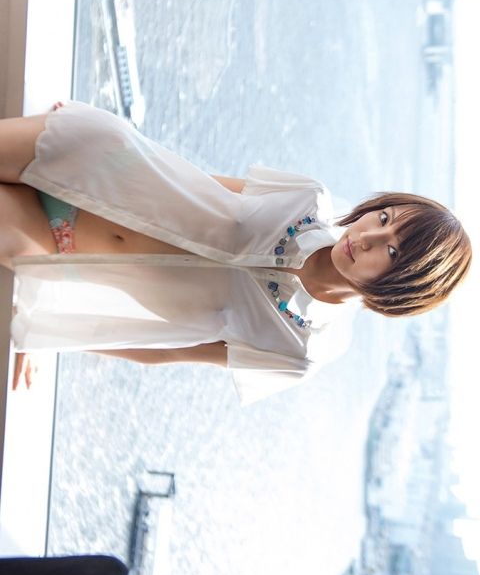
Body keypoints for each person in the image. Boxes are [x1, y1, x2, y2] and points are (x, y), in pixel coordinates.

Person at [1, 101, 471, 404]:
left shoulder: (298, 349)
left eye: (391, 252)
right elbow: (191, 178)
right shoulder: (308, 199)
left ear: (399, 292)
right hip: (93, 155)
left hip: (58, 248)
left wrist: (50, 331)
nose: (368, 238)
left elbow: (165, 352)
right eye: (384, 218)